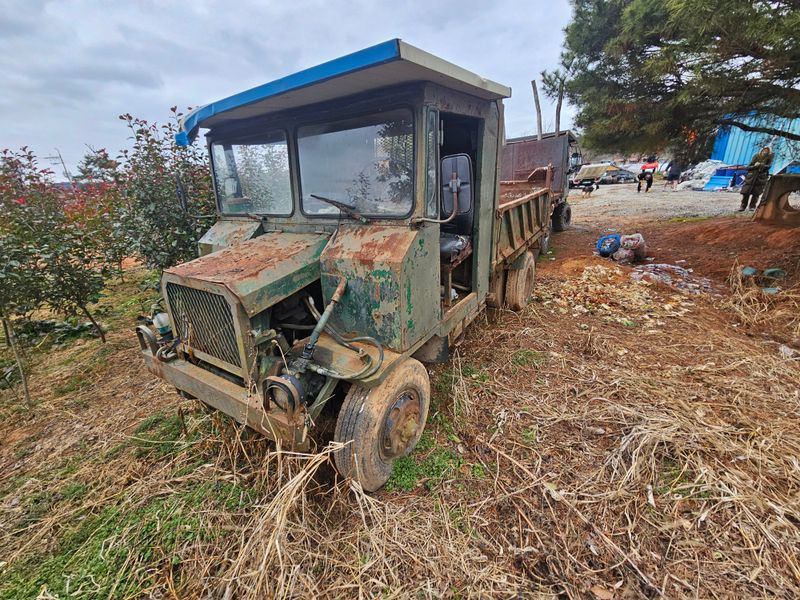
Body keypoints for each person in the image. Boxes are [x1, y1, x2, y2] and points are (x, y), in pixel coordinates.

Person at [739, 147, 773, 211]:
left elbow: (768, 166)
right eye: (764, 150)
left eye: (766, 151)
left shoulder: (769, 158)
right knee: (746, 193)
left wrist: (761, 165)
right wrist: (755, 166)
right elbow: (748, 167)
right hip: (751, 178)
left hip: (760, 178)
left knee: (756, 194)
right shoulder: (756, 156)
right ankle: (743, 206)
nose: (765, 152)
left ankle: (752, 207)